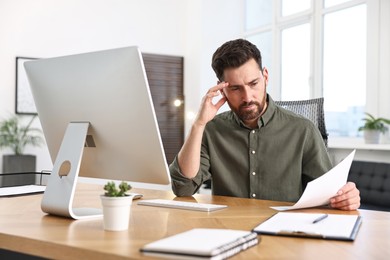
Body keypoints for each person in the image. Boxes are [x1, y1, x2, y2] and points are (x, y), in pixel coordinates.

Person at [169, 39, 360, 210]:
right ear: (222, 89)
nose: (247, 97)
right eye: (235, 88)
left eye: (253, 83)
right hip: (228, 232)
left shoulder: (303, 130)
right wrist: (199, 124)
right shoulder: (212, 129)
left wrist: (345, 198)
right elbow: (183, 187)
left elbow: (328, 197)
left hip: (286, 236)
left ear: (265, 76)